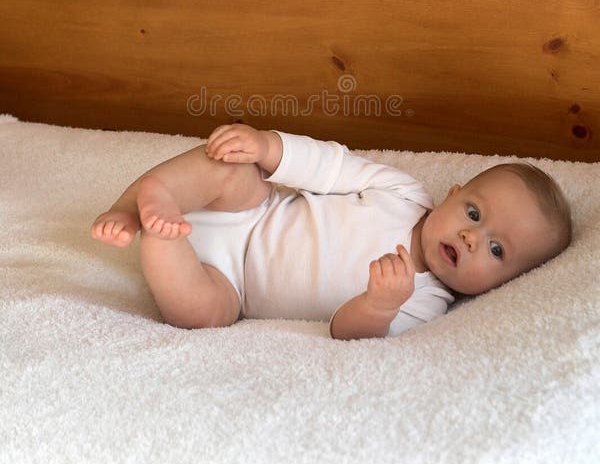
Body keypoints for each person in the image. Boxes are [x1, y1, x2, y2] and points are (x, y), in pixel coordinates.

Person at [90, 124, 571, 339]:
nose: (471, 238)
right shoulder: (403, 193)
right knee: (234, 167)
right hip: (251, 211)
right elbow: (331, 166)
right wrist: (267, 147)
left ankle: (162, 235)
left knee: (202, 316)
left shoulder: (423, 302)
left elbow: (347, 332)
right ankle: (135, 207)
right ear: (453, 193)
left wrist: (378, 306)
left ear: (505, 283)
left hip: (234, 288)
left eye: (496, 250)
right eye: (473, 214)